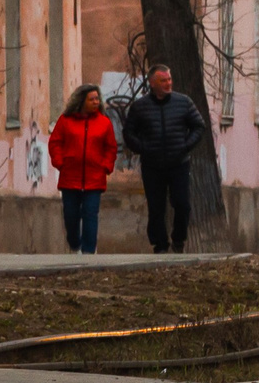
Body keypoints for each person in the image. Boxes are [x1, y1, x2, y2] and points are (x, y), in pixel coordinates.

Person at [122, 64, 208, 254]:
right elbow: (128, 133)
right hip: (152, 165)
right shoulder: (140, 107)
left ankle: (179, 239)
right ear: (153, 83)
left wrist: (185, 146)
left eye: (169, 79)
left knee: (182, 204)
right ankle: (160, 245)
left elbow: (199, 126)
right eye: (164, 80)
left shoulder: (183, 102)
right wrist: (143, 148)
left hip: (179, 163)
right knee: (156, 207)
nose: (168, 83)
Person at [47, 84, 118, 254]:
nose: (96, 102)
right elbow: (55, 143)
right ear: (81, 101)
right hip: (70, 178)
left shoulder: (104, 123)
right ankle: (74, 244)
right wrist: (60, 162)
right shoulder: (66, 121)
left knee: (90, 215)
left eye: (97, 99)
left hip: (94, 178)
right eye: (91, 99)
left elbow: (111, 148)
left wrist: (106, 166)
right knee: (70, 216)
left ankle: (89, 252)